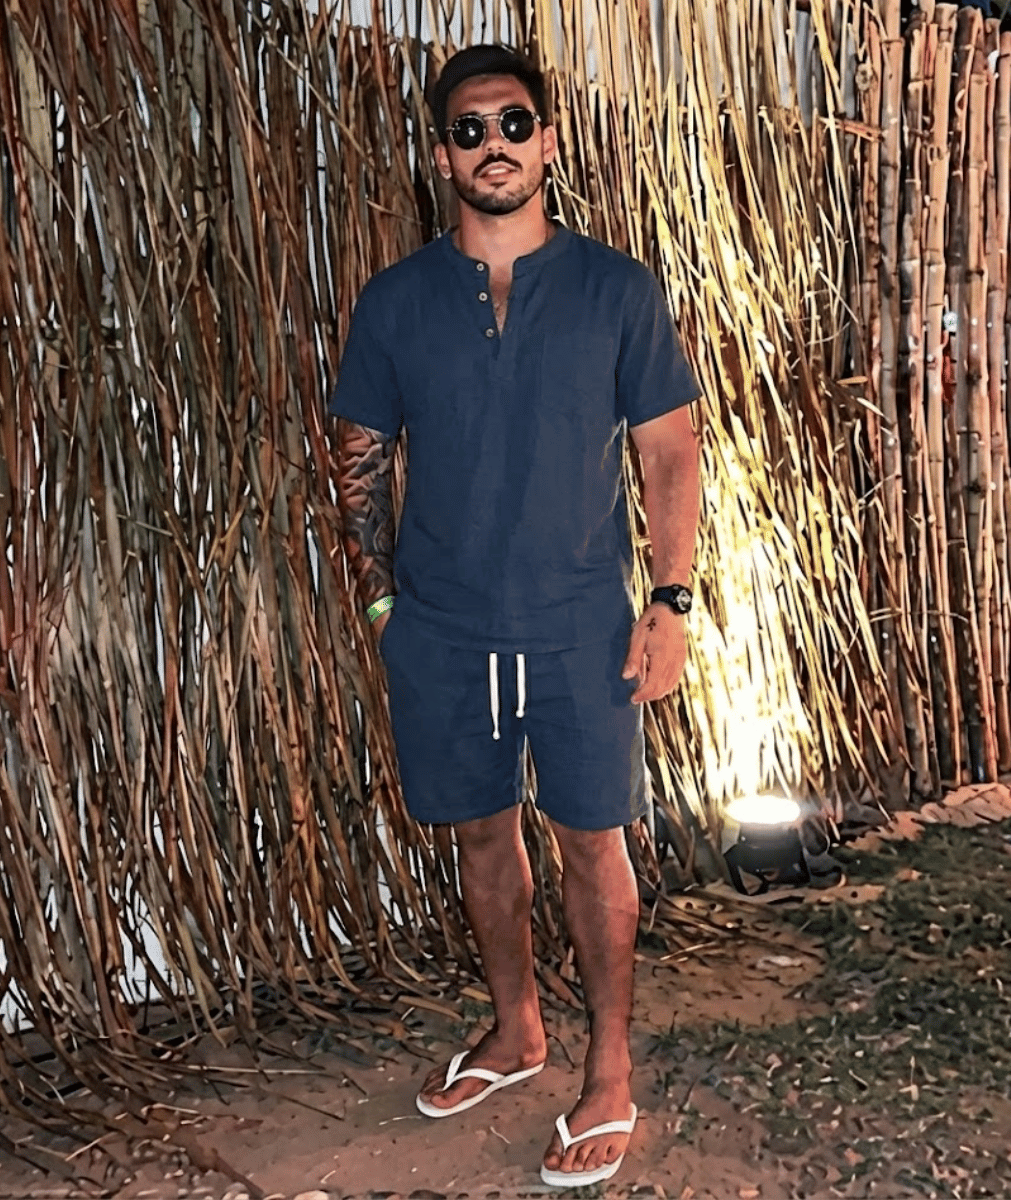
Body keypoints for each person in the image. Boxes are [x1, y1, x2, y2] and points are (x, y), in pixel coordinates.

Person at [330, 43, 700, 1189]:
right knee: (482, 834)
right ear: (442, 157)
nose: (493, 144)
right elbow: (357, 457)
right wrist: (384, 599)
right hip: (442, 628)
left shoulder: (616, 290)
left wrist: (671, 599)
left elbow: (671, 449)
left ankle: (609, 1074)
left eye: (513, 123)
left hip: (582, 620)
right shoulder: (395, 302)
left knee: (594, 842)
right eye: (469, 129)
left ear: (547, 141)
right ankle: (516, 1030)